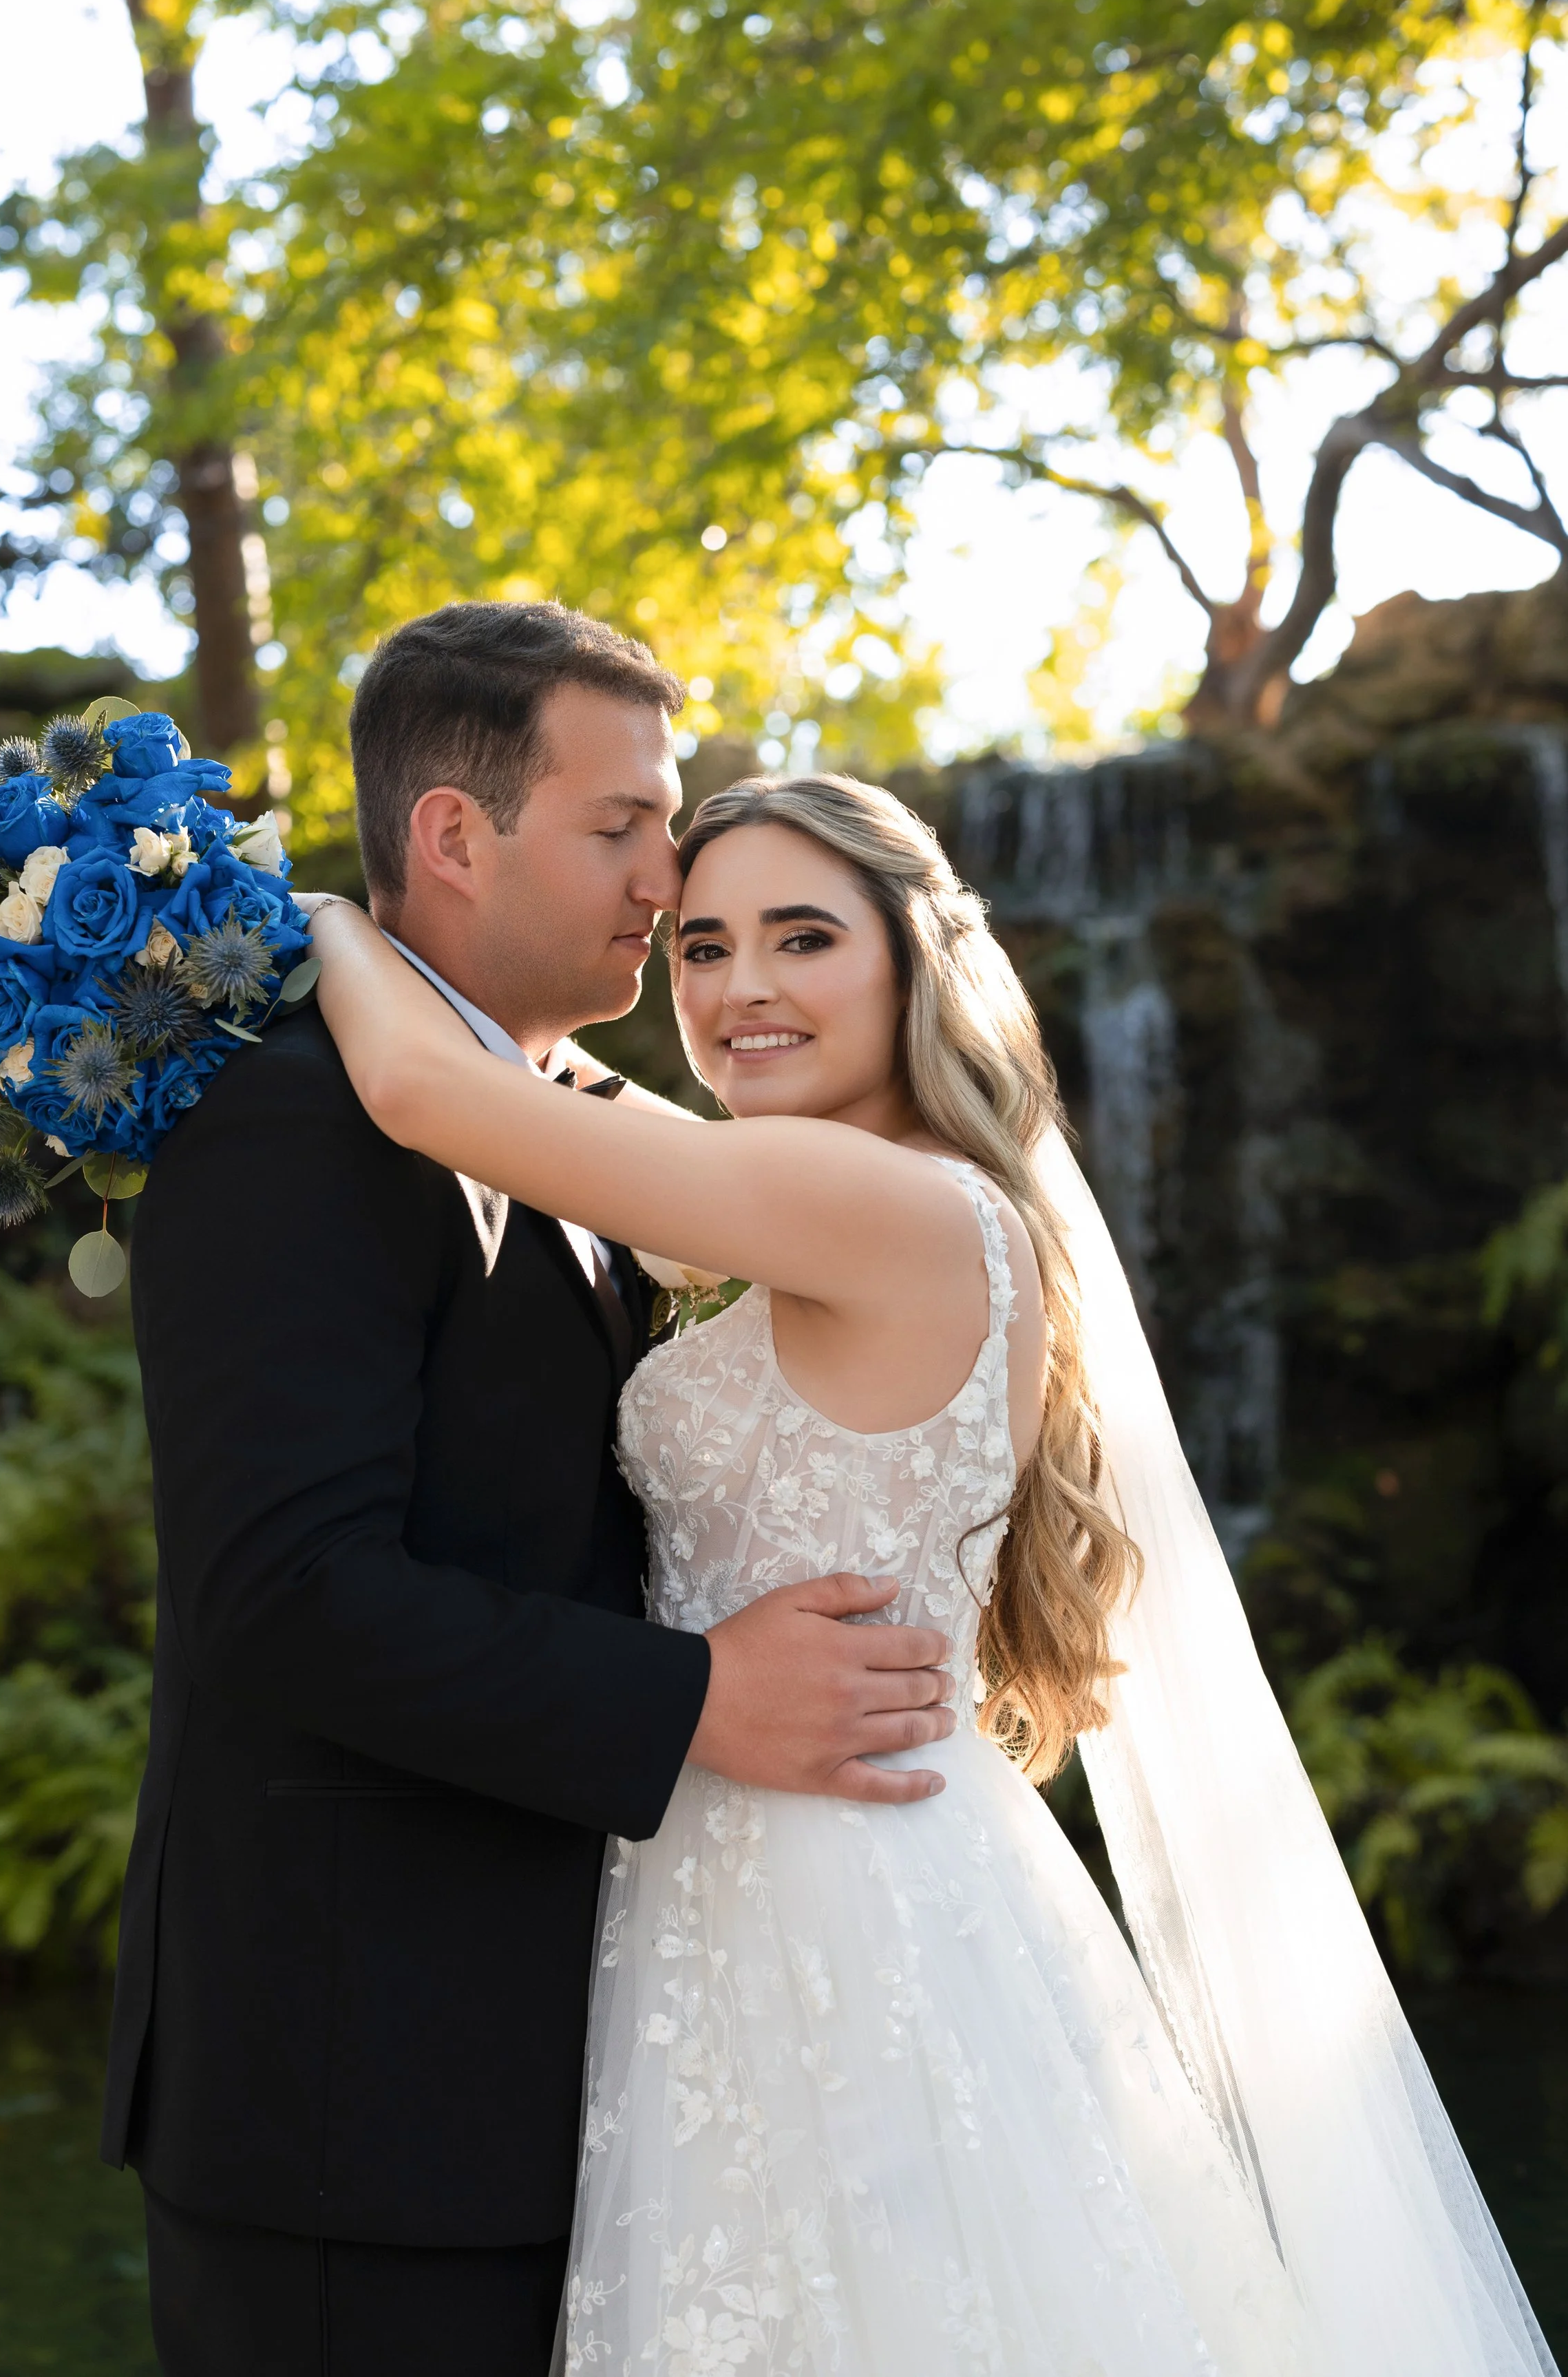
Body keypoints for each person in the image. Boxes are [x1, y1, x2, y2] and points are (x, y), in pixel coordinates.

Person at [306, 766, 1560, 2377]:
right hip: (880, 1863)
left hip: (820, 1905)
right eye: (698, 948)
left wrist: (311, 918)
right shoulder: (913, 1197)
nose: (738, 987)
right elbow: (618, 1130)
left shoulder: (841, 1196)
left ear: (912, 960)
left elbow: (424, 1095)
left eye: (801, 939)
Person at [103, 604, 958, 2377]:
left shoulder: (578, 1127)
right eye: (623, 825)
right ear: (450, 836)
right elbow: (283, 1593)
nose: (668, 873)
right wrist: (698, 1697)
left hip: (621, 2067)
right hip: (362, 2100)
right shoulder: (288, 1116)